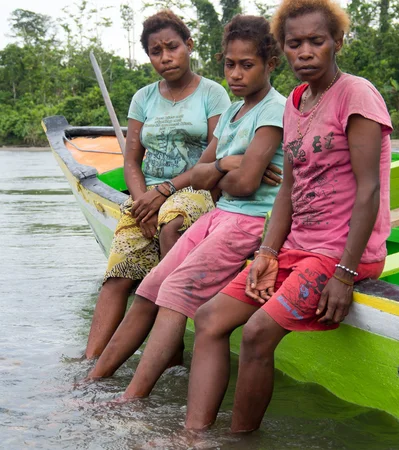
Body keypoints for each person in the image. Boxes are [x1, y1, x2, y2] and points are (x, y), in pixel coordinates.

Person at [184, 0, 393, 433]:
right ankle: (194, 435)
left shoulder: (356, 94)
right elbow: (287, 191)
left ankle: (239, 440)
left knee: (258, 332)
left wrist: (345, 273)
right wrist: (266, 251)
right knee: (208, 318)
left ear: (336, 41)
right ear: (284, 48)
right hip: (296, 248)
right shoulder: (295, 102)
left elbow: (369, 189)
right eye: (294, 44)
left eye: (316, 41)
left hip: (339, 253)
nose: (305, 52)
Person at [86, 15, 286, 401]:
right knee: (148, 287)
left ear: (270, 64)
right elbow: (201, 172)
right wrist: (225, 165)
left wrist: (216, 173)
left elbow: (243, 185)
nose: (237, 74)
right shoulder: (233, 112)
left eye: (247, 65)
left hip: (247, 219)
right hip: (220, 213)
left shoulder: (272, 110)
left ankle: (131, 398)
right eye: (231, 65)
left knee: (174, 286)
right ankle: (93, 378)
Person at [85, 10, 231, 359]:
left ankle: (171, 342)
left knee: (172, 227)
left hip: (197, 192)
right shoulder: (144, 98)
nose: (165, 58)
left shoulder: (213, 94)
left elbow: (213, 160)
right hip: (147, 197)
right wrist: (141, 203)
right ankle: (90, 359)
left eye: (172, 47)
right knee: (119, 271)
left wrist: (163, 192)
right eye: (155, 51)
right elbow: (132, 160)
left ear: (189, 46)